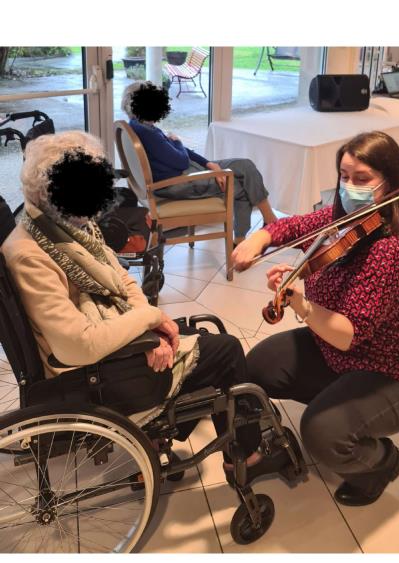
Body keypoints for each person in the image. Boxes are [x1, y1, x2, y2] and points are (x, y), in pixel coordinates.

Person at [0, 130, 290, 482]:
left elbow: (121, 279)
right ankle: (247, 456)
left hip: (104, 342)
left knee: (190, 333)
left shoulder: (61, 226)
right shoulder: (30, 255)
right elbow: (77, 345)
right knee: (225, 351)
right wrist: (148, 324)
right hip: (87, 374)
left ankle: (156, 440)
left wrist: (150, 324)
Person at [233, 130, 399, 506]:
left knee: (321, 432)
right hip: (337, 354)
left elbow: (349, 333)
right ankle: (260, 450)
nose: (349, 186)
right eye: (344, 176)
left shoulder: (389, 250)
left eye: (362, 179)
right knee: (256, 368)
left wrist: (301, 305)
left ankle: (381, 464)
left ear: (389, 184)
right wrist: (259, 239)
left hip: (391, 372)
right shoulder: (339, 220)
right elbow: (292, 226)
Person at [121, 81, 277, 245]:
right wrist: (177, 141)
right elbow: (181, 161)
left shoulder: (139, 126)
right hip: (176, 182)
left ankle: (268, 223)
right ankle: (247, 237)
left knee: (245, 165)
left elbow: (182, 153)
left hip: (184, 173)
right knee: (241, 188)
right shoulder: (148, 134)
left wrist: (209, 164)